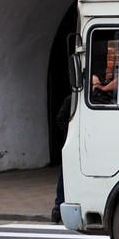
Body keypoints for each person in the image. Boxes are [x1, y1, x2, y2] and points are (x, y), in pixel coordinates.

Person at [50, 93, 71, 224]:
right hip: (71, 141)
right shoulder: (70, 100)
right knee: (64, 174)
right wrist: (71, 131)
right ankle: (59, 204)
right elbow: (60, 119)